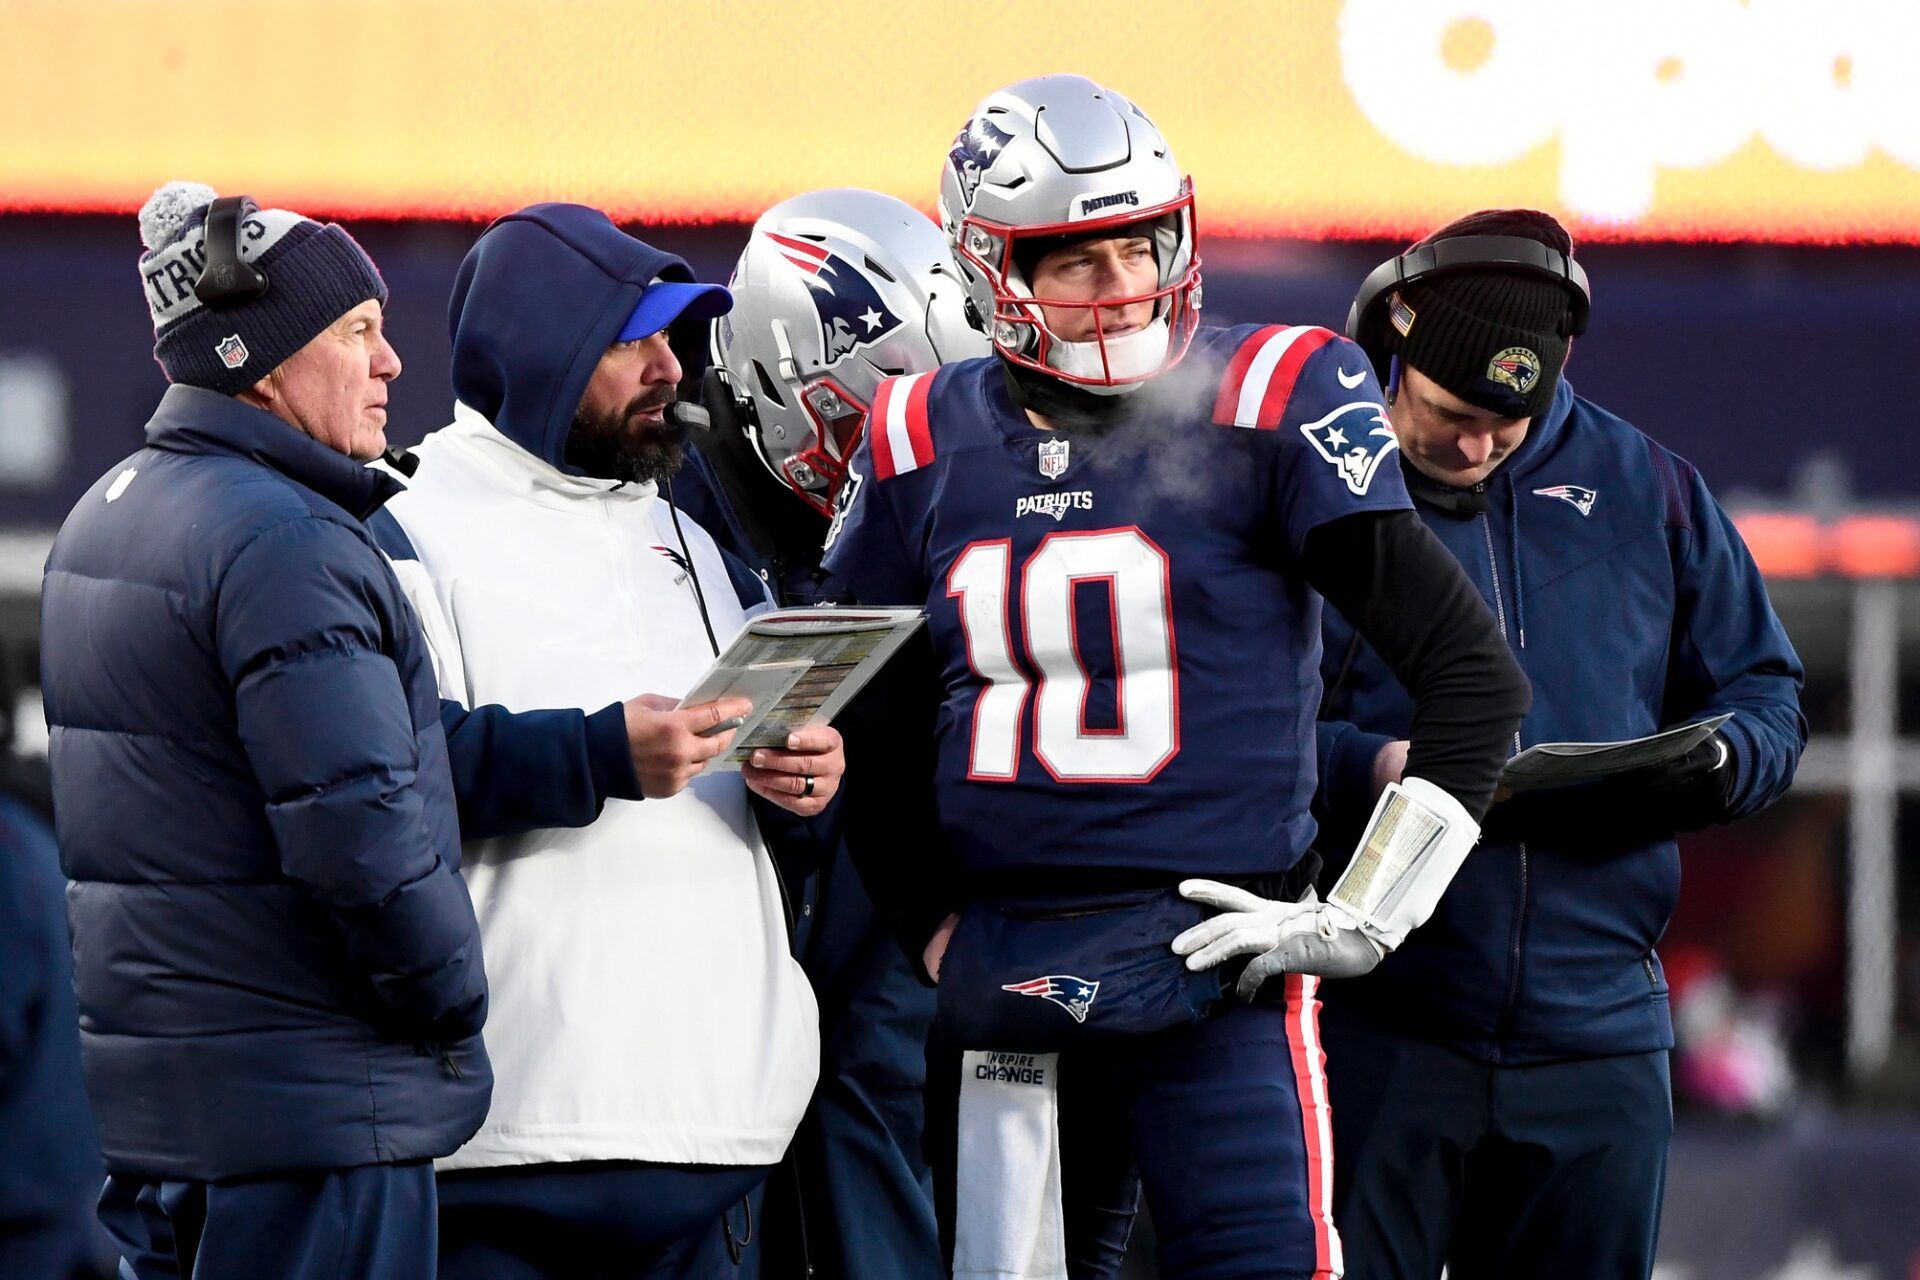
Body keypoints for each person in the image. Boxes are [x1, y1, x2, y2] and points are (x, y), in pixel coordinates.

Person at [821, 75, 1531, 1280]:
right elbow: (868, 719)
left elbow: (1474, 680)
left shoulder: (1273, 391)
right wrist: (931, 924)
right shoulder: (918, 435)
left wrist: (1365, 911)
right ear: (993, 269)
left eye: (1141, 242)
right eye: (1078, 260)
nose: (1123, 285)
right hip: (1012, 968)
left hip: (1223, 956)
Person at [1310, 208, 1807, 1279]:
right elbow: (1236, 726)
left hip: (1601, 1034)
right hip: (1380, 1019)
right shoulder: (1320, 484)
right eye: (1450, 414)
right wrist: (1372, 767)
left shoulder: (1654, 489)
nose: (1478, 444)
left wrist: (1725, 764)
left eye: (1511, 420)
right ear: (1396, 339)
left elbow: (1768, 690)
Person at [368, 202, 838, 1278]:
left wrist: (801, 786)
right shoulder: (401, 517)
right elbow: (389, 773)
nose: (669, 369)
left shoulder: (700, 537)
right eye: (633, 341)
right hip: (503, 1145)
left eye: (672, 340)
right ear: (541, 348)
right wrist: (604, 755)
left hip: (720, 1136)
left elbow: (762, 833)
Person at [39, 182, 491, 1279]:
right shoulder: (285, 539)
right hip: (317, 1122)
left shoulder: (110, 507)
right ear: (260, 359)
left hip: (181, 1127)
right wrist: (456, 1001)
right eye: (358, 333)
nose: (391, 363)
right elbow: (361, 841)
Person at [672, 186, 988, 1278]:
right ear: (783, 386)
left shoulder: (945, 482)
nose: (917, 450)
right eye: (880, 420)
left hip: (894, 935)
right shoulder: (664, 511)